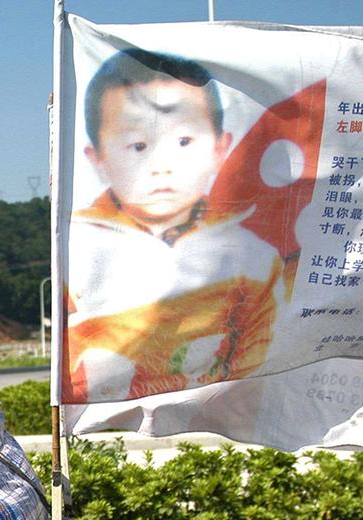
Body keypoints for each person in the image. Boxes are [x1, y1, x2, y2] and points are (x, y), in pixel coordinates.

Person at [63, 48, 287, 403]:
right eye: (138, 145)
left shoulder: (254, 258)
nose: (161, 164)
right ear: (98, 159)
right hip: (102, 416)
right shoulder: (73, 248)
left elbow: (257, 368)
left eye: (183, 141)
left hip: (210, 416)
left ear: (220, 149)